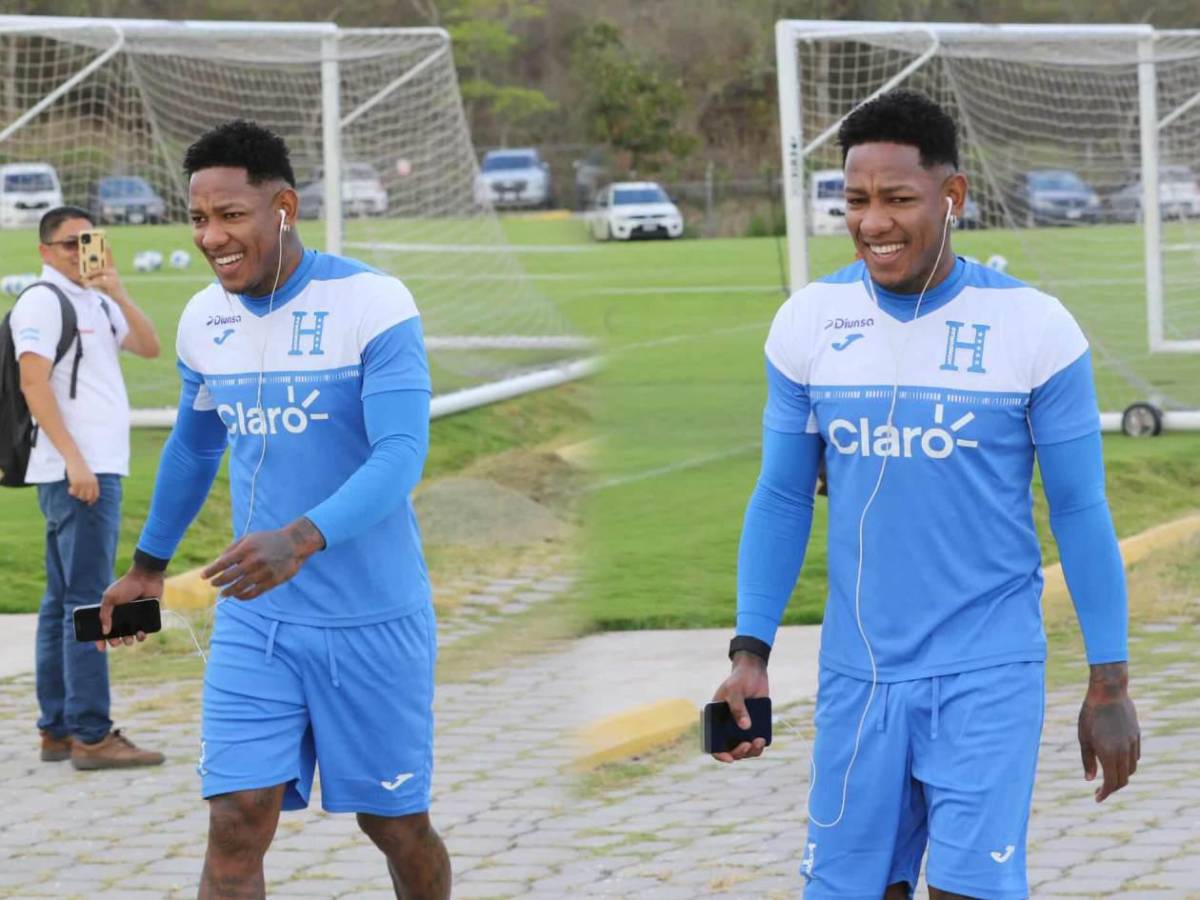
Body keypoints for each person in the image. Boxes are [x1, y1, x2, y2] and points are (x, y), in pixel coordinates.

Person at [711, 89, 1140, 899]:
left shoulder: (1036, 328)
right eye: (856, 200)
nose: (874, 222)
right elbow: (782, 496)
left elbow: (1080, 509)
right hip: (858, 673)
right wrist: (750, 654)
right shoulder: (809, 321)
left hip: (988, 668)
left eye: (898, 199)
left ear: (953, 196)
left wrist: (1109, 682)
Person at [98, 121, 450, 899]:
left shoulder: (371, 302)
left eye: (231, 215)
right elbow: (194, 450)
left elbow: (400, 454)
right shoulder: (204, 320)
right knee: (237, 821)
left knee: (395, 826)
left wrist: (301, 537)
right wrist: (148, 568)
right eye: (198, 218)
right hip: (257, 622)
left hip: (372, 620)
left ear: (283, 207)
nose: (211, 237)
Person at [9, 205, 163, 769]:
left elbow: (149, 345)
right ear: (45, 251)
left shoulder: (94, 299)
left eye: (87, 240)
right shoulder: (42, 301)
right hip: (79, 473)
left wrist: (116, 289)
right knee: (91, 601)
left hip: (91, 469)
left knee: (62, 602)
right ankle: (92, 734)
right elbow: (33, 383)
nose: (81, 252)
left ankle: (58, 730)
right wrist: (76, 461)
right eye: (69, 244)